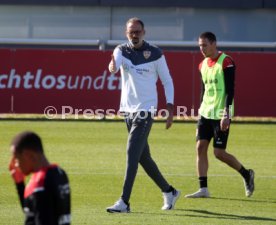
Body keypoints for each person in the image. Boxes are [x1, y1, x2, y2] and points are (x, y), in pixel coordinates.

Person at [106, 17, 180, 213]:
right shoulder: (121, 50)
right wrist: (112, 67)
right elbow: (114, 66)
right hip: (128, 112)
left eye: (138, 31)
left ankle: (124, 202)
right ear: (126, 33)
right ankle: (169, 191)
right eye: (131, 32)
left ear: (144, 32)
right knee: (143, 158)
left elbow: (167, 81)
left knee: (132, 152)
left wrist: (170, 108)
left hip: (145, 112)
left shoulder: (155, 53)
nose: (135, 34)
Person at [185, 32, 255, 198]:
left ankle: (246, 174)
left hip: (220, 113)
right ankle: (203, 189)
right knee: (200, 147)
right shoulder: (202, 65)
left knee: (219, 153)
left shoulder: (227, 62)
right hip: (205, 113)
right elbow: (204, 91)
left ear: (214, 44)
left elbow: (230, 91)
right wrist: (199, 114)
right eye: (200, 45)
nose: (202, 49)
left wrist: (226, 115)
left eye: (205, 45)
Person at [9, 131, 71, 225]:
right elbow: (33, 212)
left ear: (28, 155)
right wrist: (20, 184)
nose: (16, 165)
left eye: (17, 159)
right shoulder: (60, 173)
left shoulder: (40, 184)